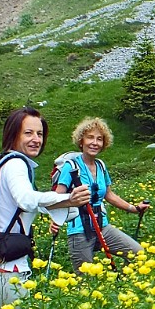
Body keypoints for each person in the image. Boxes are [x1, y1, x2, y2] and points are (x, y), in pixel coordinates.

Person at [0, 107, 89, 309]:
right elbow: (25, 198)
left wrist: (64, 208)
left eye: (40, 134)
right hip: (5, 272)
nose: (36, 140)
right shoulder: (15, 164)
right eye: (28, 133)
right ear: (13, 135)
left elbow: (19, 205)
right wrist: (67, 199)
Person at [51, 117, 149, 273]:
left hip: (102, 227)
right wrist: (55, 219)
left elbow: (109, 195)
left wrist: (134, 208)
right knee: (86, 280)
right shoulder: (71, 167)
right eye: (90, 137)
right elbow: (56, 198)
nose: (94, 143)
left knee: (138, 254)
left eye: (99, 139)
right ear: (81, 141)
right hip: (79, 231)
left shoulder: (101, 166)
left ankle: (122, 289)